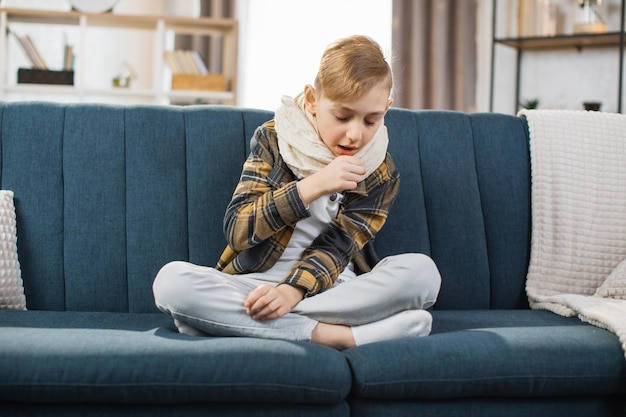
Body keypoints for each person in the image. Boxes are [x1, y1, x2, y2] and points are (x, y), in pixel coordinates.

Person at [152, 35, 441, 350]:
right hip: (253, 284)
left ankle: (236, 323)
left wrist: (290, 294)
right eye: (342, 117)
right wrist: (312, 186)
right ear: (313, 100)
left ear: (386, 108)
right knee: (172, 283)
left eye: (371, 120)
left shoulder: (380, 170)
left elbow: (339, 247)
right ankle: (332, 335)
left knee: (423, 274)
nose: (355, 134)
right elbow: (239, 230)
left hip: (333, 290)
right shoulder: (274, 140)